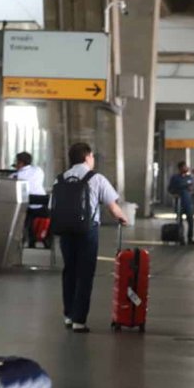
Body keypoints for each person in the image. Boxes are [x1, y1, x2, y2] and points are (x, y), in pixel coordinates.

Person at [57, 142, 128, 333]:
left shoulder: (60, 179)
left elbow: (52, 207)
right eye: (92, 157)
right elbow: (113, 208)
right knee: (85, 274)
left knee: (69, 271)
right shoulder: (96, 179)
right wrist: (123, 219)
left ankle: (69, 316)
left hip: (65, 230)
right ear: (87, 157)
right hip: (87, 230)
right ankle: (79, 321)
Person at [11, 151, 47, 247]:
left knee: (23, 215)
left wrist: (17, 170)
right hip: (43, 205)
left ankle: (23, 239)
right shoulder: (38, 170)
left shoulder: (16, 176)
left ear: (21, 163)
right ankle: (40, 239)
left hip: (28, 206)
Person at [168, 161, 194, 245]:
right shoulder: (175, 178)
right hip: (179, 202)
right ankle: (180, 238)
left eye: (186, 167)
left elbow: (193, 188)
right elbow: (170, 188)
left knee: (191, 221)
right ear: (180, 168)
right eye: (184, 167)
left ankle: (190, 238)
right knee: (179, 222)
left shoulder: (190, 177)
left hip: (188, 203)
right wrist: (174, 193)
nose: (186, 168)